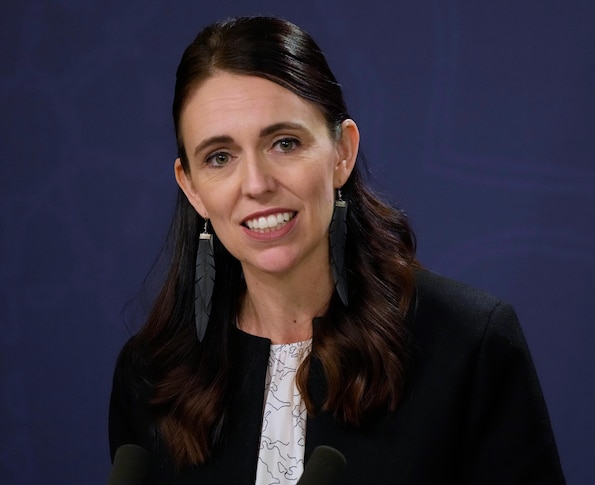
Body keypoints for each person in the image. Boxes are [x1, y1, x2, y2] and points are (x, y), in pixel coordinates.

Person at [109, 15, 565, 484]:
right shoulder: (151, 376)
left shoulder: (469, 344)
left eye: (284, 143)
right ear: (192, 188)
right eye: (219, 157)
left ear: (341, 153)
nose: (256, 185)